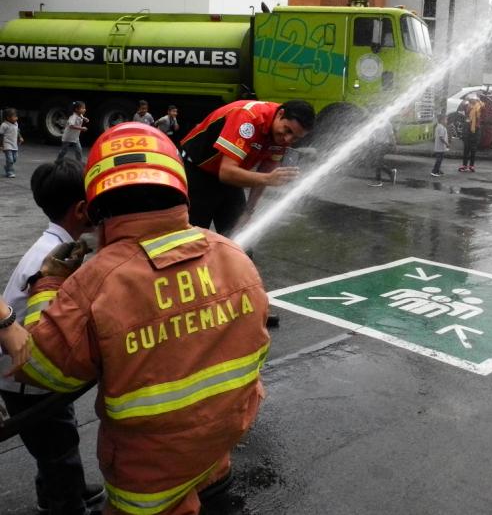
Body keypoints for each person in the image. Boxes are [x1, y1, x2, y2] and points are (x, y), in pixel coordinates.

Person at [16, 121, 270, 515]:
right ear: (178, 187)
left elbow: (42, 369)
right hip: (216, 455)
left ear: (97, 203)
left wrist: (48, 287)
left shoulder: (97, 282)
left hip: (148, 483)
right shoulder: (234, 257)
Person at [1, 159, 104, 515]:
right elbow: (48, 327)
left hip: (29, 378)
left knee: (58, 437)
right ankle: (64, 501)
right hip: (28, 382)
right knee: (57, 444)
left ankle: (63, 487)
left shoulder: (56, 244)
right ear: (81, 208)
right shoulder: (47, 259)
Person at [179, 99, 314, 236]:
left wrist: (248, 211)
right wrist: (268, 178)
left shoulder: (282, 133)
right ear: (280, 114)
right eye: (287, 130)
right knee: (194, 240)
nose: (287, 139)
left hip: (233, 174)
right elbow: (226, 173)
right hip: (197, 171)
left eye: (295, 138)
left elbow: (266, 170)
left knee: (239, 238)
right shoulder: (248, 118)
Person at [369, 117, 397, 187]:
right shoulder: (375, 122)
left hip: (384, 145)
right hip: (376, 145)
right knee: (377, 162)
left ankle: (378, 181)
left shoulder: (387, 123)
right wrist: (371, 143)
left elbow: (391, 136)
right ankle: (391, 172)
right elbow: (372, 134)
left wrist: (394, 146)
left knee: (377, 161)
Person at [459, 95, 482, 172]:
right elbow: (461, 105)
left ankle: (471, 165)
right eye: (471, 100)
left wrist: (478, 101)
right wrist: (466, 99)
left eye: (474, 100)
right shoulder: (467, 106)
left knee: (473, 149)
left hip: (476, 129)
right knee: (466, 148)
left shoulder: (479, 106)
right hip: (467, 129)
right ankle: (464, 165)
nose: (473, 101)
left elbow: (483, 105)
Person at [1, 107, 23, 178]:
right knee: (10, 159)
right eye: (15, 117)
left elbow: (17, 131)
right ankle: (10, 172)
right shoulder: (4, 125)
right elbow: (1, 135)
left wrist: (20, 137)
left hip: (14, 145)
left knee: (14, 158)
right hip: (7, 145)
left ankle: (7, 167)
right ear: (8, 117)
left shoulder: (16, 123)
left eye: (17, 116)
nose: (16, 118)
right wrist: (1, 145)